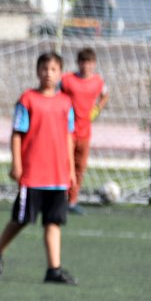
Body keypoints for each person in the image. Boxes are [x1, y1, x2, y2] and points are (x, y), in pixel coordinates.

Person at [0, 52, 78, 285]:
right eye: (44, 69)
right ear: (37, 72)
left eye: (54, 69)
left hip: (58, 175)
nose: (48, 73)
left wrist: (71, 170)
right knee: (22, 218)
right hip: (34, 173)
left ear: (60, 73)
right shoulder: (27, 100)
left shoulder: (66, 103)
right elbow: (17, 134)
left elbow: (68, 137)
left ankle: (53, 269)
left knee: (53, 221)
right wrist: (16, 163)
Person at [60, 47, 109, 214]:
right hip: (67, 131)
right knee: (65, 165)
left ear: (94, 64)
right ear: (78, 63)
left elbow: (105, 95)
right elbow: (55, 92)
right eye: (83, 62)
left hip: (85, 132)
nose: (86, 66)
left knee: (80, 167)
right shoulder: (67, 80)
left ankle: (72, 201)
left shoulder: (98, 82)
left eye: (89, 63)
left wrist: (97, 108)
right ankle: (60, 199)